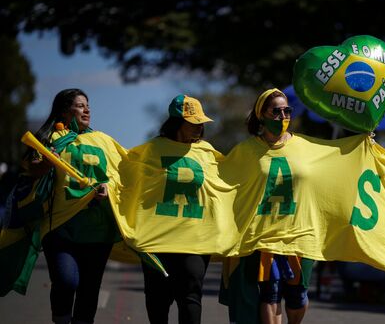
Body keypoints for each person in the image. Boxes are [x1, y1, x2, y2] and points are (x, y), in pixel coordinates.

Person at [24, 88, 123, 324]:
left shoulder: (103, 140)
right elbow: (32, 170)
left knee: (90, 289)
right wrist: (48, 161)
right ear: (64, 110)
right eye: (80, 105)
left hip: (97, 229)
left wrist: (107, 187)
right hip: (60, 225)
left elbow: (119, 174)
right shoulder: (48, 138)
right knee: (66, 281)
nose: (87, 109)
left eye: (87, 105)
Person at [220, 88, 313, 324]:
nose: (283, 117)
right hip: (262, 235)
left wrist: (363, 145)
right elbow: (221, 180)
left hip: (297, 234)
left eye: (287, 111)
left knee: (297, 297)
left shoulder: (305, 146)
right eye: (277, 111)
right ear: (261, 115)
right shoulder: (246, 150)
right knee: (270, 293)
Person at [131, 95, 214, 324]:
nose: (199, 127)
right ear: (176, 122)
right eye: (193, 121)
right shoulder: (151, 150)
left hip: (194, 239)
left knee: (191, 295)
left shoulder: (207, 153)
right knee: (158, 300)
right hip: (157, 239)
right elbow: (127, 179)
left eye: (201, 122)